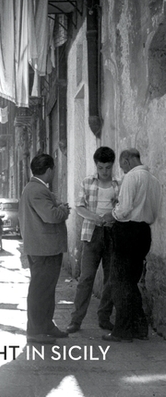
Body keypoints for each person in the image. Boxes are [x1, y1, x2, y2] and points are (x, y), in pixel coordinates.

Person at [102, 148, 162, 342]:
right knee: (131, 282)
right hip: (144, 232)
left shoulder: (131, 177)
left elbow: (125, 209)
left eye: (122, 165)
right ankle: (139, 327)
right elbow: (153, 210)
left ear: (127, 160)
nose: (123, 169)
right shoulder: (153, 180)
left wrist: (112, 214)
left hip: (127, 232)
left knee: (120, 282)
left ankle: (123, 330)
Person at [66, 147, 120, 334]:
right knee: (86, 278)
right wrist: (95, 217)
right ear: (96, 166)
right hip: (91, 234)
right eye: (101, 167)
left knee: (111, 278)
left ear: (112, 166)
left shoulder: (118, 184)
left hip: (112, 234)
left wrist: (110, 216)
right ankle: (76, 320)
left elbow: (123, 209)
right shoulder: (87, 182)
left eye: (107, 168)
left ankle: (104, 318)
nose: (104, 171)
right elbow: (79, 207)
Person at [19, 153, 70, 344]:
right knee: (40, 290)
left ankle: (46, 325)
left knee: (46, 289)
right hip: (44, 248)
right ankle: (36, 330)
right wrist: (64, 210)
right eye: (53, 170)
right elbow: (51, 216)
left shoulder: (34, 188)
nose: (54, 173)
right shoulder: (37, 190)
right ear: (48, 170)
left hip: (44, 247)